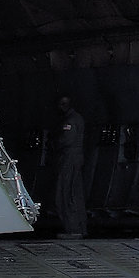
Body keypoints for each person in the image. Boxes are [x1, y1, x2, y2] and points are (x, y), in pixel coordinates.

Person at [53, 95, 88, 239]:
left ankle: (74, 228)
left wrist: (56, 143)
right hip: (74, 159)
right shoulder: (77, 118)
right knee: (74, 193)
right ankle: (79, 227)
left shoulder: (71, 121)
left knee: (67, 193)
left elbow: (67, 140)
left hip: (69, 159)